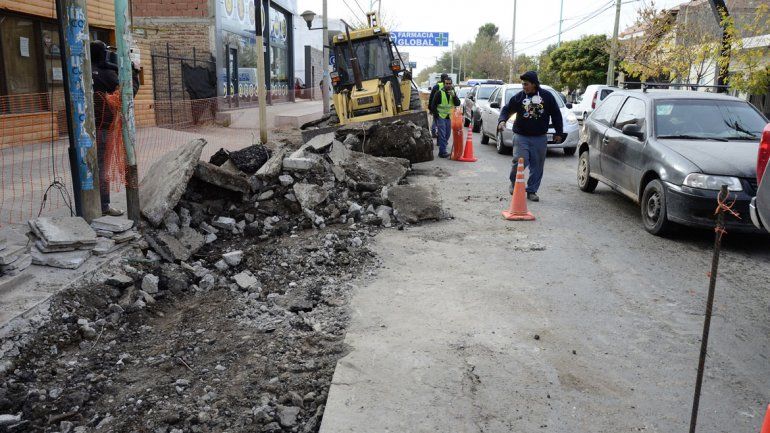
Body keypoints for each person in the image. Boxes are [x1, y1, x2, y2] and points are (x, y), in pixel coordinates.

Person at [90, 40, 140, 216]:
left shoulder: (85, 72)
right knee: (103, 167)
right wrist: (134, 74)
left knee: (91, 166)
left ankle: (90, 202)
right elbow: (127, 94)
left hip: (86, 128)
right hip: (103, 127)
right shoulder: (107, 75)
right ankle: (103, 206)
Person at [497, 71, 563, 202]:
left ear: (534, 84)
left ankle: (532, 190)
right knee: (520, 161)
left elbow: (556, 114)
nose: (523, 87)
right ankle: (514, 182)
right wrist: (502, 120)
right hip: (521, 136)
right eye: (522, 84)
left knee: (537, 165)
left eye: (526, 84)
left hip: (540, 137)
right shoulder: (519, 97)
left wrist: (558, 132)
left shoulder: (547, 96)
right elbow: (506, 109)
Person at [429, 76, 460, 158]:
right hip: (441, 116)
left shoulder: (453, 93)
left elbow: (457, 103)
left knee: (447, 134)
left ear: (451, 84)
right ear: (444, 84)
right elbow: (433, 105)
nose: (448, 85)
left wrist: (454, 96)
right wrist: (436, 115)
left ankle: (443, 148)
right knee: (442, 134)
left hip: (449, 117)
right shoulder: (439, 93)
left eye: (450, 83)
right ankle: (442, 152)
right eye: (447, 83)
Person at [428, 73, 449, 138]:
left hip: (436, 108)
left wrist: (430, 108)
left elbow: (431, 98)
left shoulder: (436, 86)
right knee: (441, 125)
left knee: (435, 121)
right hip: (444, 111)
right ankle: (438, 136)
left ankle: (434, 132)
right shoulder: (449, 87)